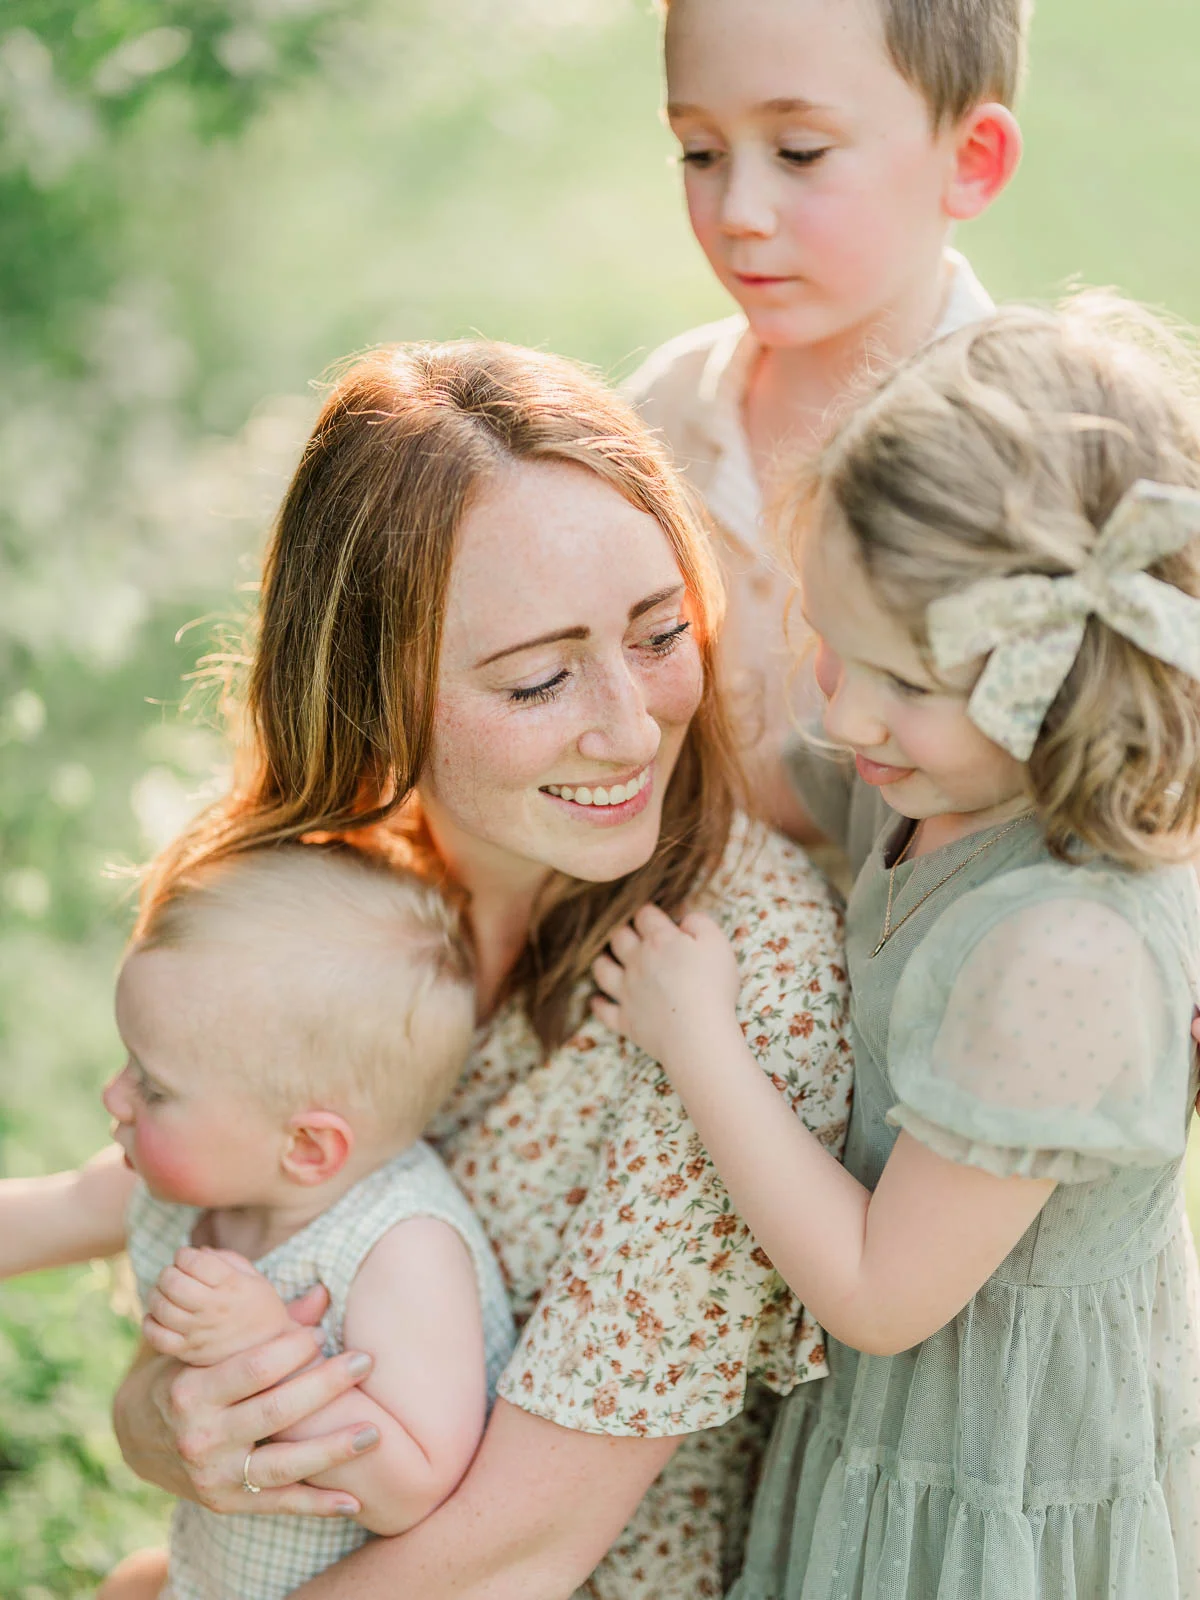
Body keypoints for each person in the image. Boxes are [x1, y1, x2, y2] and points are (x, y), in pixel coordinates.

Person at [96, 341, 853, 1598]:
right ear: (376, 686)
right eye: (540, 677)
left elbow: (521, 1543)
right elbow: (194, 1218)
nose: (629, 724)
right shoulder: (326, 897)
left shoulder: (738, 968)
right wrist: (163, 1418)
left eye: (662, 633)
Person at [593, 297, 1200, 1596]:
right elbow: (771, 775)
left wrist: (697, 1038)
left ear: (1074, 677)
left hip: (995, 1473)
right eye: (830, 643)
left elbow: (877, 1291)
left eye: (906, 684)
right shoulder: (950, 772)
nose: (847, 708)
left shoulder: (1064, 949)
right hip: (902, 1419)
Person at [0, 845, 515, 1600]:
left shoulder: (402, 1249)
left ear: (306, 1146)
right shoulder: (188, 1179)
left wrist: (266, 1347)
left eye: (155, 1087)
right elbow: (53, 1212)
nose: (114, 1096)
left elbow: (417, 1491)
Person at [626, 0, 1027, 833]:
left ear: (972, 159)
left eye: (799, 152)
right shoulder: (657, 415)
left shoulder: (1039, 458)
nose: (738, 208)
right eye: (700, 152)